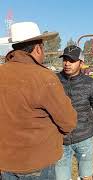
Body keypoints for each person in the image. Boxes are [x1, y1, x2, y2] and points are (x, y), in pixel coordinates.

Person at [0, 22, 77, 179]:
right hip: (36, 163)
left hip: (5, 163)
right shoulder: (44, 77)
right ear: (37, 48)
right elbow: (68, 121)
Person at [55, 45, 93, 180]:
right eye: (65, 59)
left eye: (72, 60)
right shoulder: (54, 81)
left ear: (81, 63)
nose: (67, 63)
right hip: (60, 140)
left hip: (84, 138)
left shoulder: (90, 83)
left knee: (86, 176)